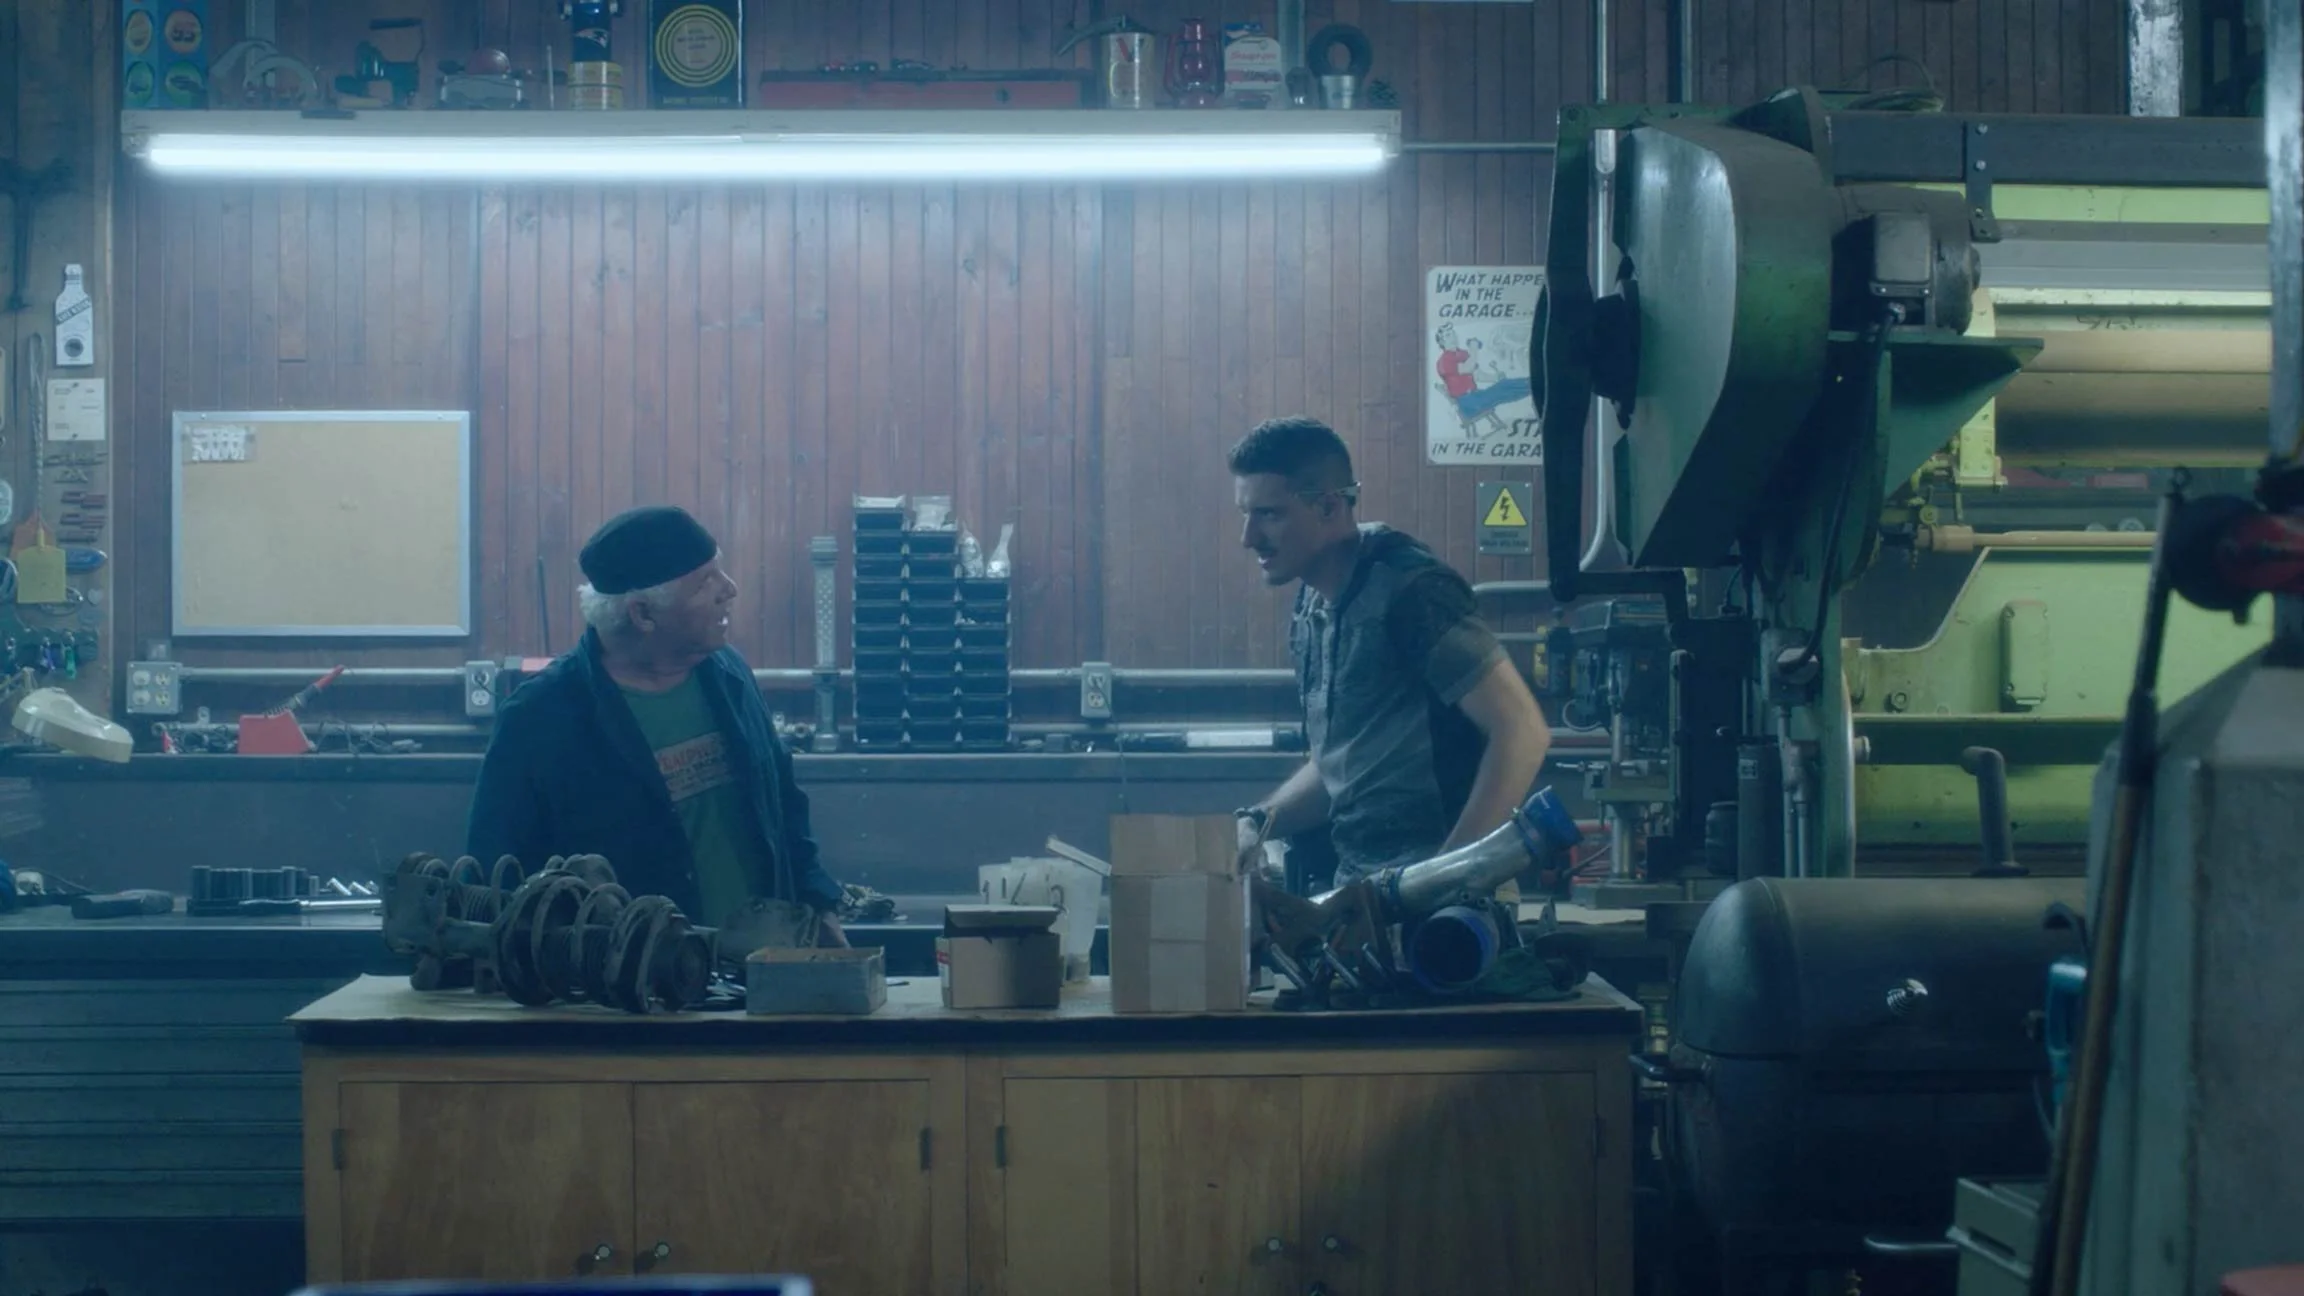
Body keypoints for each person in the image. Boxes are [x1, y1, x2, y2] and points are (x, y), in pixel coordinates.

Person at [466, 505, 847, 946]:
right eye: (706, 582)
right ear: (643, 614)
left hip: (761, 971)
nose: (731, 589)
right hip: (632, 991)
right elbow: (493, 873)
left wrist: (820, 904)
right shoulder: (541, 716)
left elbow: (783, 801)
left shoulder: (730, 675)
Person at [1229, 416, 1553, 899]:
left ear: (1329, 506)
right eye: (1245, 514)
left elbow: (1523, 730)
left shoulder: (1411, 591)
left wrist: (1445, 881)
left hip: (1447, 913)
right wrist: (1260, 820)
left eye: (1269, 515)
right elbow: (1347, 761)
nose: (1248, 538)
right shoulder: (1312, 606)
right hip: (1362, 899)